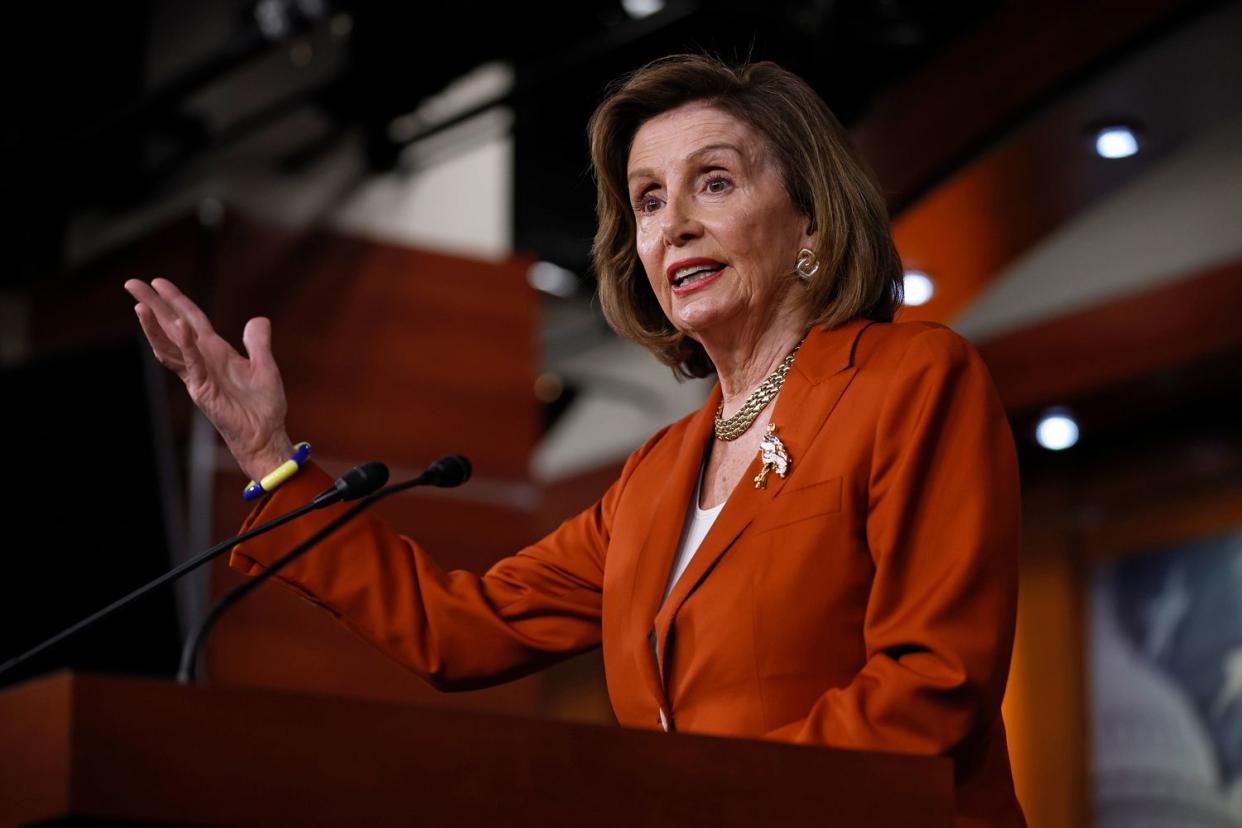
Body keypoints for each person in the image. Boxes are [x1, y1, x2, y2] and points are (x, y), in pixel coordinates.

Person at [125, 55, 1026, 827]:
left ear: (811, 221)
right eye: (647, 200)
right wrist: (270, 458)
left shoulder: (908, 380)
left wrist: (703, 804)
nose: (673, 223)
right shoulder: (656, 476)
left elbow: (931, 684)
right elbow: (459, 629)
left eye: (714, 181)